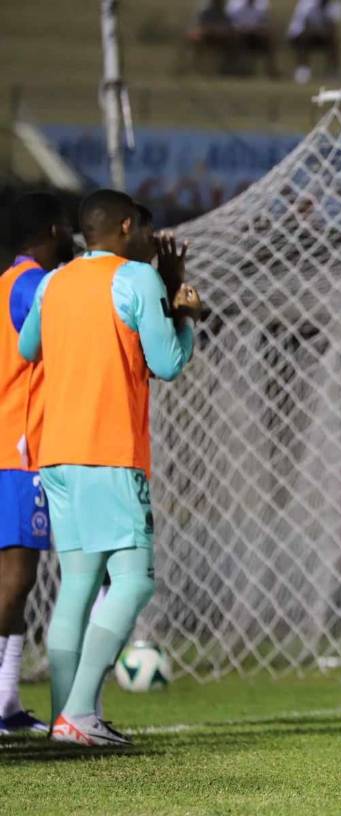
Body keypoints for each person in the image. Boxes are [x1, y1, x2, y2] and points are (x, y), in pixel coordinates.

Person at [18, 189, 202, 747]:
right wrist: (186, 316)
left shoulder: (54, 281)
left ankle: (66, 721)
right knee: (134, 582)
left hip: (59, 453)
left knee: (77, 586)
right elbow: (167, 362)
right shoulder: (136, 278)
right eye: (143, 232)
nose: (150, 241)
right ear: (126, 227)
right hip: (109, 451)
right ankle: (79, 713)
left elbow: (29, 349)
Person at [0, 193, 74, 734]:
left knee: (18, 582)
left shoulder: (6, 283)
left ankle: (5, 704)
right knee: (16, 576)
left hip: (12, 447)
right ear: (50, 231)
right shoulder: (29, 286)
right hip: (18, 451)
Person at [287, 0, 341, 84]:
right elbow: (305, 25)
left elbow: (332, 27)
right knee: (305, 38)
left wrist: (325, 33)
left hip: (320, 35)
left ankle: (333, 72)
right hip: (299, 34)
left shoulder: (333, 6)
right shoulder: (306, 3)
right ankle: (302, 70)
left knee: (333, 40)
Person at [226, 0, 278, 78]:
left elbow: (264, 25)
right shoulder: (238, 10)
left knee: (269, 37)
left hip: (255, 37)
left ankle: (271, 70)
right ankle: (235, 68)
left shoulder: (259, 11)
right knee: (235, 38)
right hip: (241, 36)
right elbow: (232, 26)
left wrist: (257, 30)